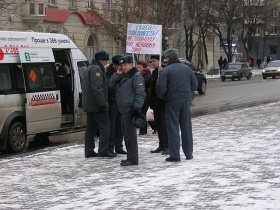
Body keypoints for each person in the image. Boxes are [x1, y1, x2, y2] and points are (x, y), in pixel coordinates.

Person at [156, 48, 198, 162]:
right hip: (185, 101)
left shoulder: (166, 71)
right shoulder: (187, 69)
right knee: (186, 127)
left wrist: (164, 96)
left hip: (171, 101)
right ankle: (189, 153)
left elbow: (160, 89)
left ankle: (175, 155)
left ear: (168, 58)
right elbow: (195, 85)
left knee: (173, 128)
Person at [110, 56, 146, 166]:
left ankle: (132, 158)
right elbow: (111, 85)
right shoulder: (124, 76)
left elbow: (140, 93)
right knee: (126, 134)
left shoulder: (136, 77)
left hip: (130, 109)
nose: (123, 67)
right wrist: (118, 74)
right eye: (122, 65)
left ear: (131, 64)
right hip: (124, 109)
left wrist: (137, 108)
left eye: (125, 65)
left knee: (130, 135)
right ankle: (130, 157)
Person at [82, 50, 116, 158]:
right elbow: (97, 88)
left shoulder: (89, 68)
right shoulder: (97, 69)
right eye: (105, 60)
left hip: (90, 105)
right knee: (106, 126)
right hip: (96, 105)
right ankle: (103, 150)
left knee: (91, 128)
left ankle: (89, 150)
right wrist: (102, 103)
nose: (106, 62)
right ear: (101, 60)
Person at [106, 54, 127, 155]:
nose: (121, 67)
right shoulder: (108, 73)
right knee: (112, 126)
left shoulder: (125, 73)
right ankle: (110, 147)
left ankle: (119, 146)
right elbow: (109, 88)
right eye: (119, 65)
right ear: (114, 65)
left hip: (121, 102)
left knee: (120, 126)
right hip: (112, 102)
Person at [149, 55, 169, 155]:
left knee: (164, 126)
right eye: (152, 61)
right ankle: (161, 145)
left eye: (154, 61)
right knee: (159, 126)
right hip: (155, 103)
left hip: (163, 103)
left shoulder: (164, 71)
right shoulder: (154, 72)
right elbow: (151, 86)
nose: (153, 63)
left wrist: (161, 74)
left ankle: (167, 145)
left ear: (160, 61)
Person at [136, 60, 151, 135]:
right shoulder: (139, 74)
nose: (138, 68)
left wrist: (147, 99)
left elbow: (147, 89)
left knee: (142, 113)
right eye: (137, 67)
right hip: (142, 98)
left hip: (145, 98)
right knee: (142, 113)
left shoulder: (146, 75)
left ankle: (143, 131)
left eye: (139, 67)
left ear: (143, 67)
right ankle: (143, 130)